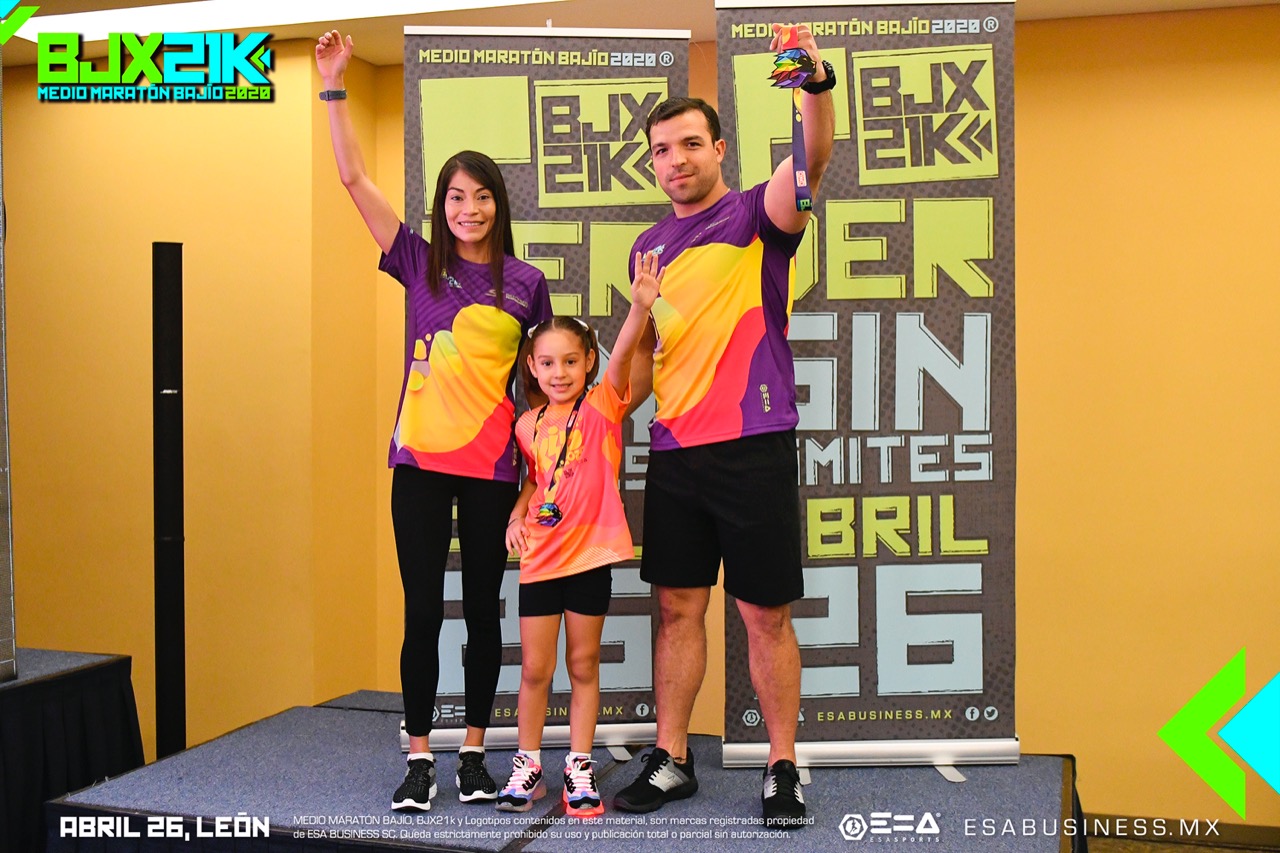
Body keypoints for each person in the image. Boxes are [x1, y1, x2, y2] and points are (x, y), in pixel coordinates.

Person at [315, 30, 553, 811]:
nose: (468, 208)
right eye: (456, 196)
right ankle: (420, 755)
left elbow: (542, 392)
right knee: (422, 612)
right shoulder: (419, 261)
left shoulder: (526, 283)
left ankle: (474, 754)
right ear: (441, 206)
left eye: (481, 196)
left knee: (483, 613)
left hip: (492, 473)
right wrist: (334, 85)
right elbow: (352, 177)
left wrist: (534, 484)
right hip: (418, 466)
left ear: (498, 206)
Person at [611, 24, 836, 828]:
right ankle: (672, 757)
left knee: (763, 614)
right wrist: (599, 420)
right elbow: (648, 360)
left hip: (752, 446)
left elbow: (813, 156)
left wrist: (814, 85)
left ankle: (782, 766)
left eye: (689, 144)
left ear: (718, 149)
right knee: (677, 608)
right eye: (661, 150)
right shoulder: (648, 247)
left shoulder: (757, 215)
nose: (675, 159)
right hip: (675, 451)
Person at [495, 255, 661, 818]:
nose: (559, 372)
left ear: (590, 361)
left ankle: (580, 765)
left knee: (584, 665)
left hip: (589, 557)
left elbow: (626, 358)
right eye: (547, 363)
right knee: (535, 670)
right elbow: (536, 480)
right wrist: (516, 518)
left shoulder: (602, 406)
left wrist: (639, 308)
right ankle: (527, 766)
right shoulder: (527, 424)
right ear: (532, 367)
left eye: (571, 361)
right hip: (540, 559)